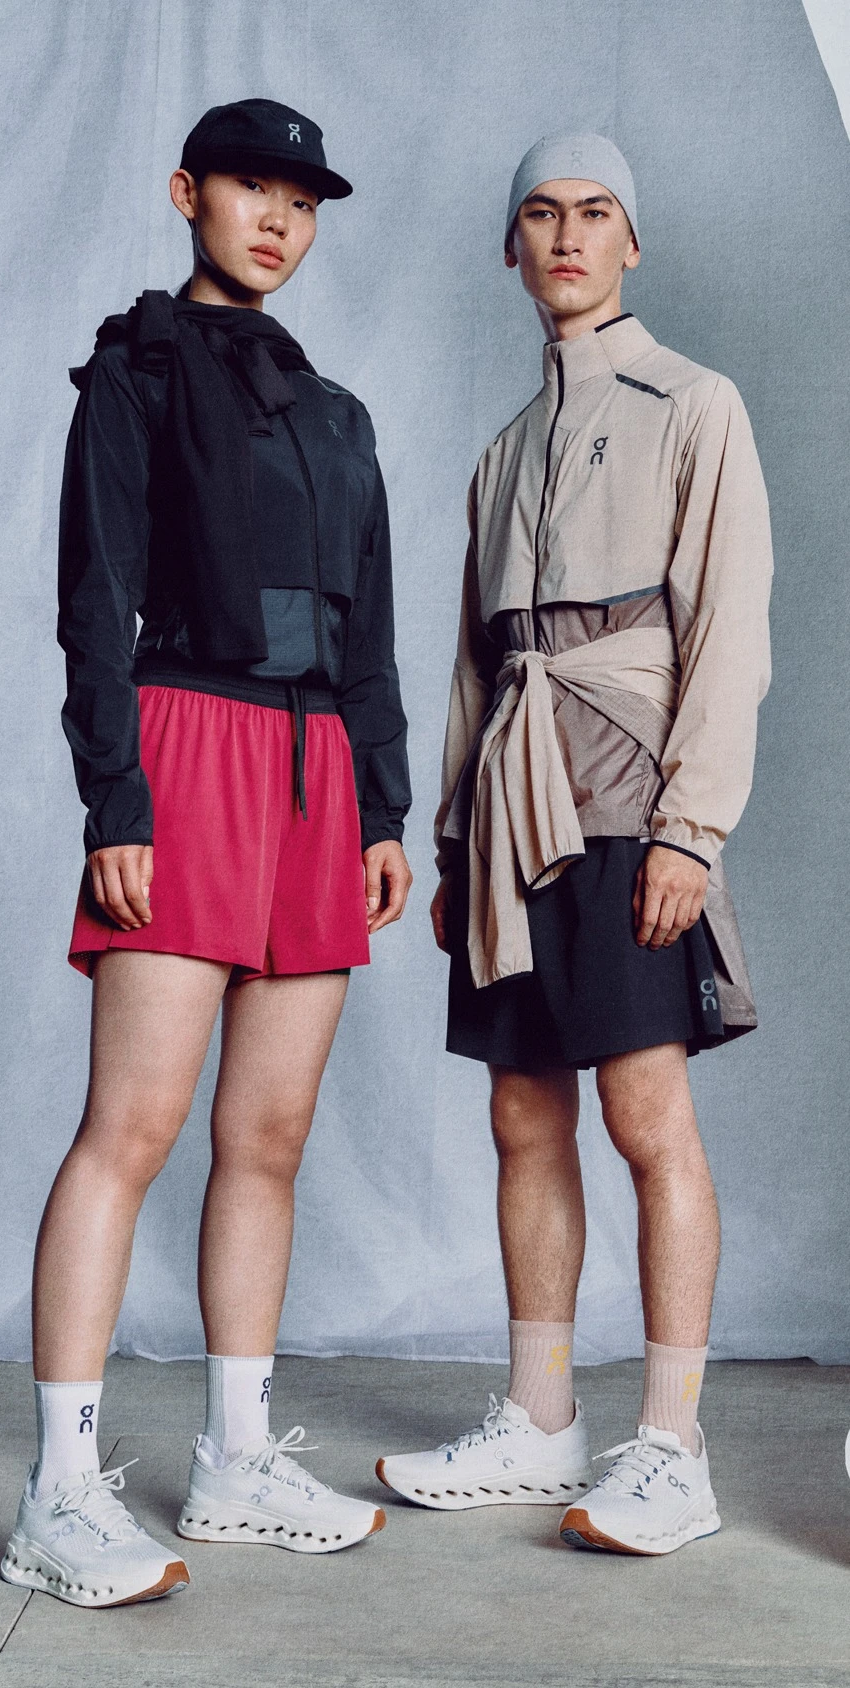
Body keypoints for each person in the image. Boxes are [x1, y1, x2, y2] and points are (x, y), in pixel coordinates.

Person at [0, 98, 412, 1608]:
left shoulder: (337, 411)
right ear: (188, 193)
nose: (279, 218)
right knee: (132, 1126)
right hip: (186, 750)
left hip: (318, 779)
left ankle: (238, 1459)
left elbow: (369, 628)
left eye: (302, 200)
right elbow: (94, 598)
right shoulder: (137, 370)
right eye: (251, 187)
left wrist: (382, 806)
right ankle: (58, 1492)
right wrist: (116, 801)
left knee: (269, 1139)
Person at [376, 133, 771, 1555]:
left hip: (627, 804)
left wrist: (689, 830)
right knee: (523, 1115)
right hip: (511, 817)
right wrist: (456, 834)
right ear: (512, 248)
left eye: (594, 214)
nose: (565, 236)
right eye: (540, 215)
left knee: (644, 1116)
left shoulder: (695, 404)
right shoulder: (501, 453)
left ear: (630, 242)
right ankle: (541, 1419)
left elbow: (729, 628)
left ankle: (672, 1447)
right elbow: (476, 668)